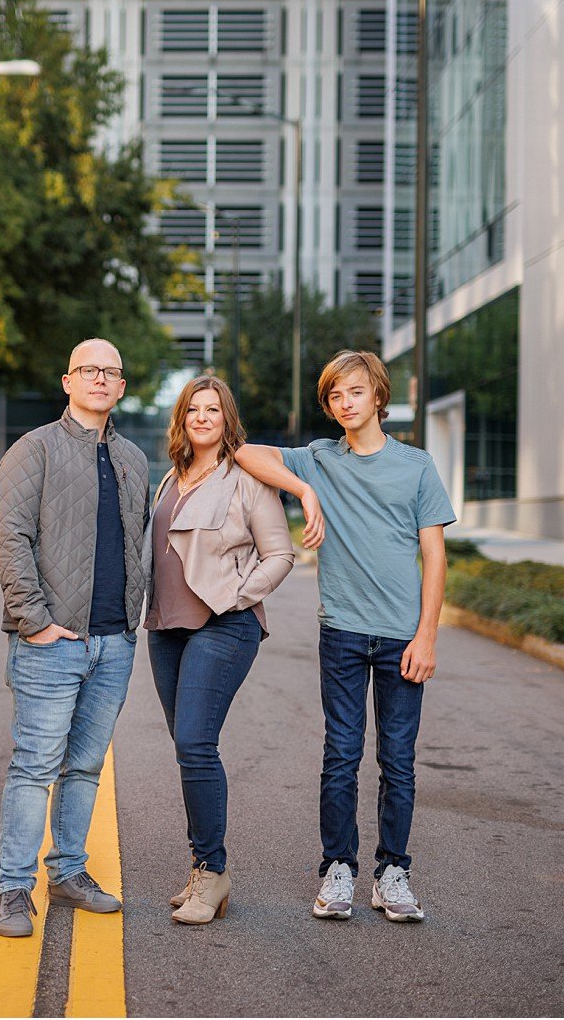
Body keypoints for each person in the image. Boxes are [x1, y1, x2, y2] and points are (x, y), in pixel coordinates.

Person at [234, 349, 454, 924]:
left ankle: (393, 873)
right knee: (341, 755)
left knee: (398, 761)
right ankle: (339, 870)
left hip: (402, 635)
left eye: (354, 391)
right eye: (334, 395)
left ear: (377, 396)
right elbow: (244, 452)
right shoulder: (319, 459)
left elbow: (434, 556)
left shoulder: (417, 465)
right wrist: (304, 491)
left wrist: (426, 636)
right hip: (343, 634)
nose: (344, 402)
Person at [0, 338, 150, 938]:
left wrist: (135, 621)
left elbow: (140, 543)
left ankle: (68, 872)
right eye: (89, 370)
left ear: (122, 387)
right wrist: (33, 622)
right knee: (35, 766)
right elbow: (10, 537)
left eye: (112, 372)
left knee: (83, 767)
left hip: (114, 642)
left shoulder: (134, 458)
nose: (100, 380)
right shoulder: (34, 449)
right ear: (67, 381)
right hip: (51, 642)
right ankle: (12, 888)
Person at [145, 375, 294, 925]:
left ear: (227, 419)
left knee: (195, 741)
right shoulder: (169, 480)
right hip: (166, 627)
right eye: (193, 409)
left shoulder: (247, 480)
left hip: (224, 626)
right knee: (189, 750)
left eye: (213, 410)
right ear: (182, 418)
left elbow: (279, 554)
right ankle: (201, 867)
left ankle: (213, 872)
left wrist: (236, 597)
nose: (202, 418)